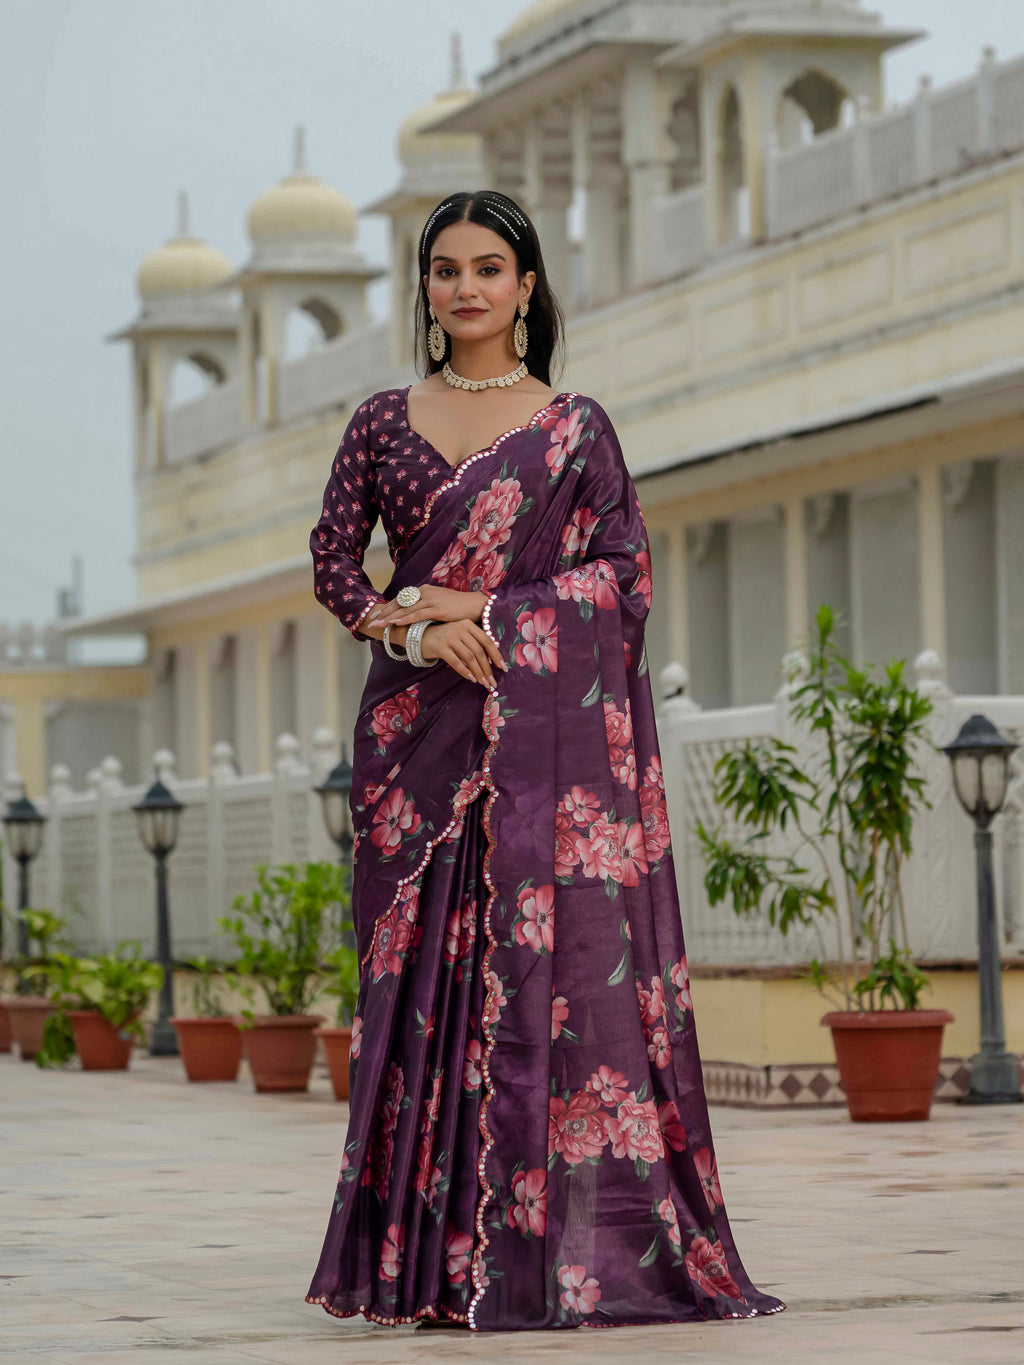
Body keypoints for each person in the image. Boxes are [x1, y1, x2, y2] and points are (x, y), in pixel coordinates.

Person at [304, 189, 785, 1333]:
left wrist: (496, 608)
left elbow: (623, 581)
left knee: (534, 986)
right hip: (410, 747)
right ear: (423, 288)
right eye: (443, 270)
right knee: (412, 994)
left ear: (525, 286)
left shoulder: (574, 428)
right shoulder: (380, 420)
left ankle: (531, 1258)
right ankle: (417, 1266)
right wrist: (417, 628)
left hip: (533, 753)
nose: (464, 288)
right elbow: (334, 568)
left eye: (487, 268)